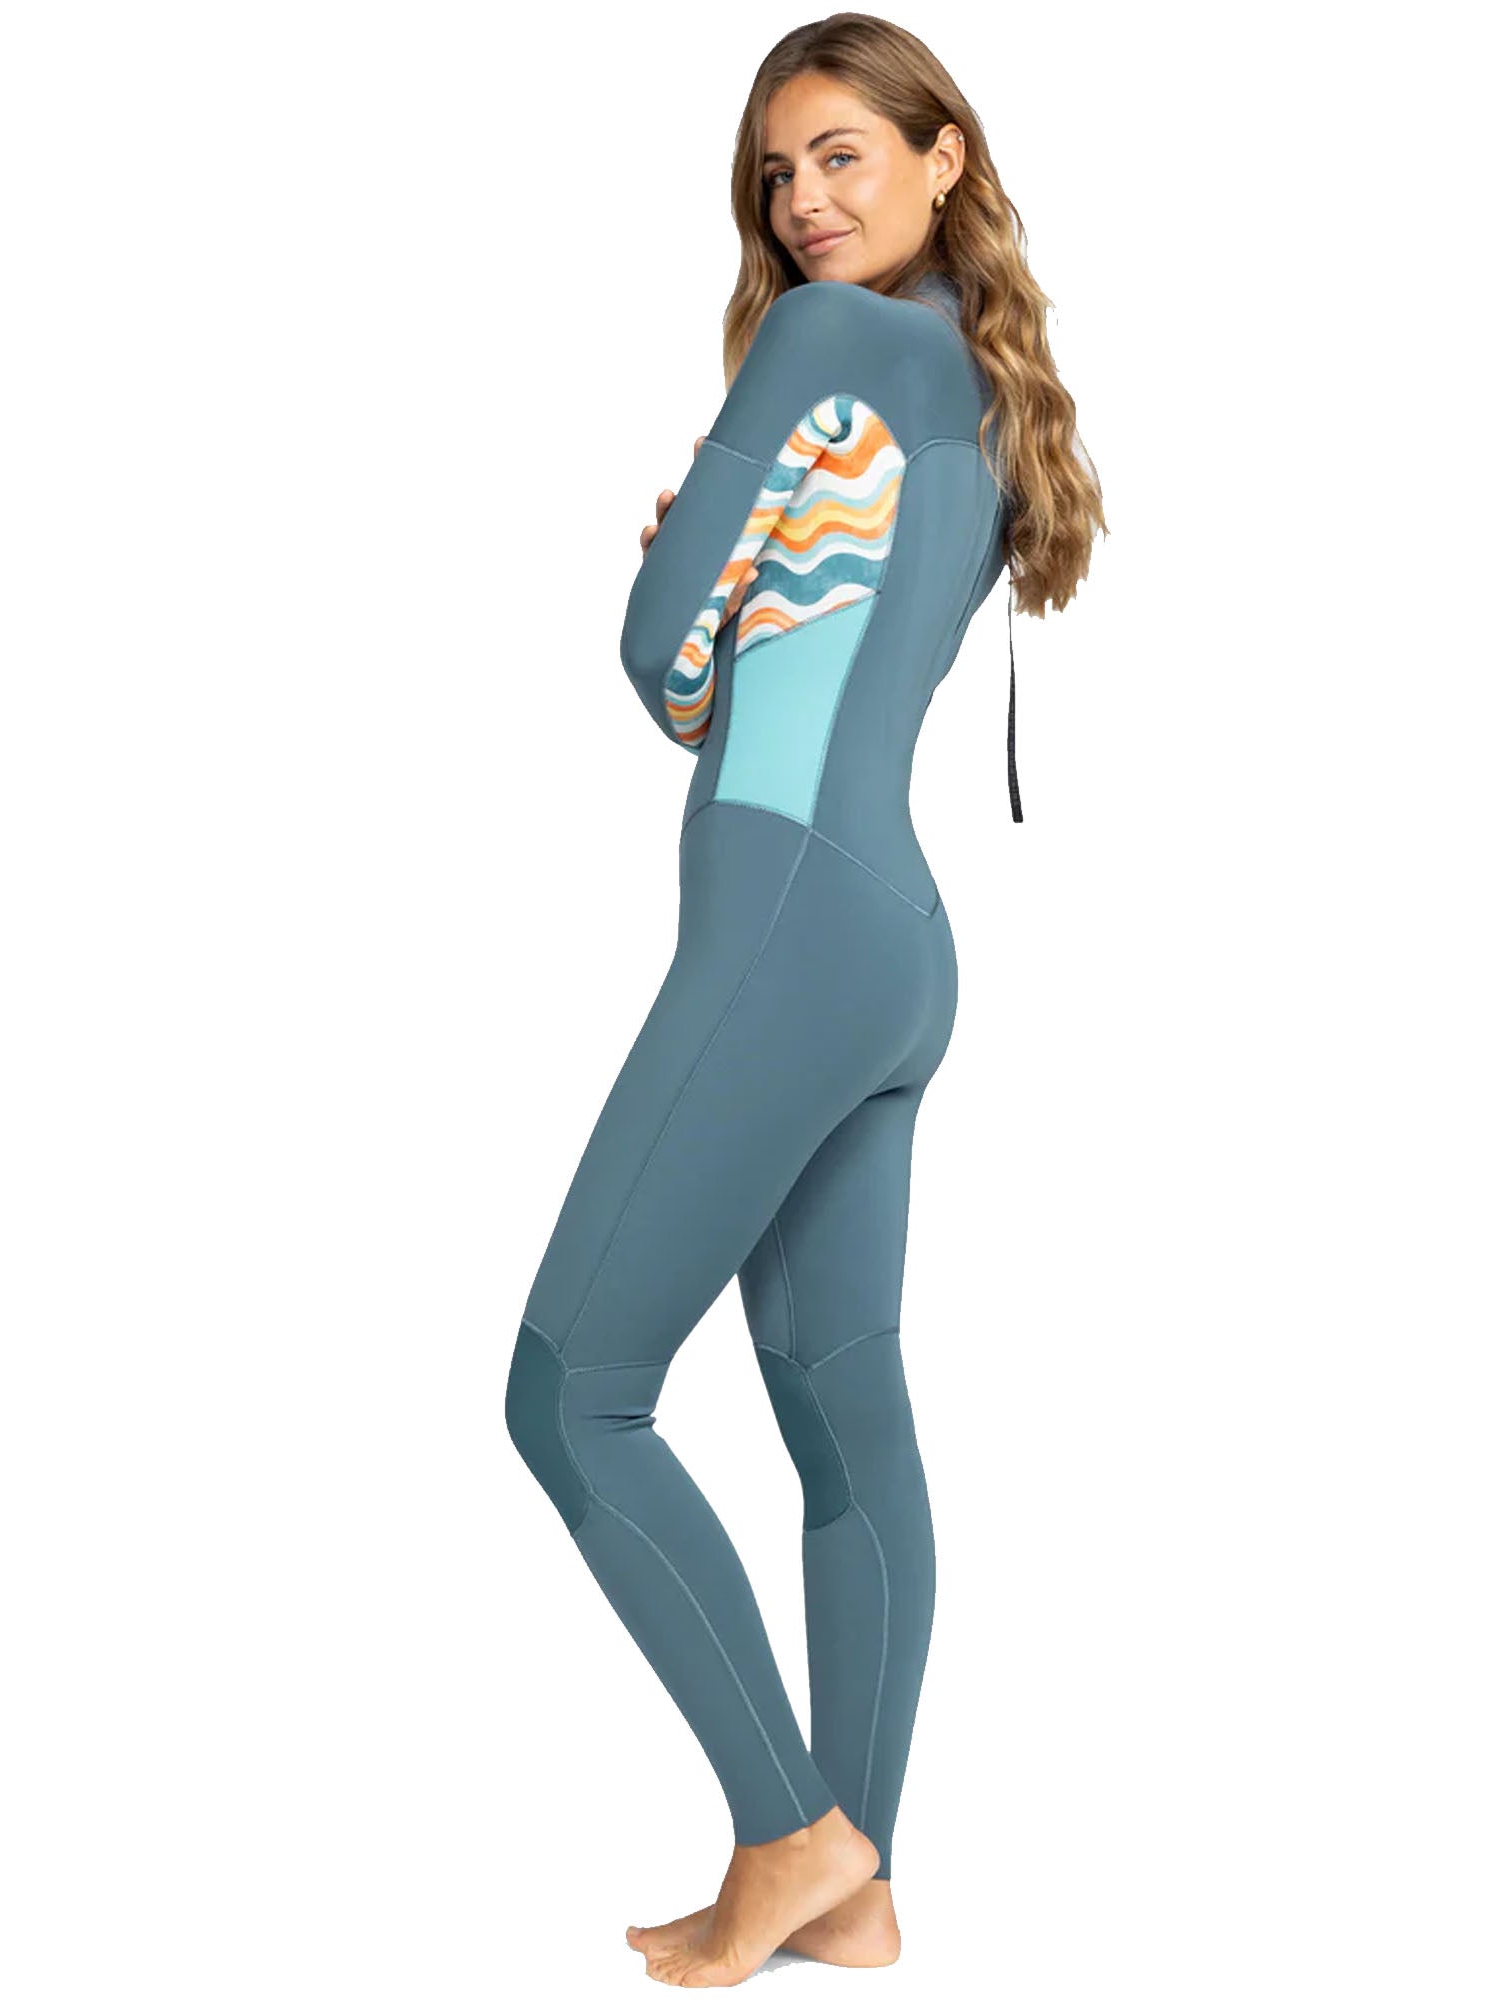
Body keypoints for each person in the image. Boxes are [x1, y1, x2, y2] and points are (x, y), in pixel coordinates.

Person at [504, 15, 1106, 1987]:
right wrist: (749, 576)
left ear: (945, 156)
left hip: (783, 927)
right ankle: (859, 1892)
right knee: (845, 1413)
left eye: (843, 153)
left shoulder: (827, 345)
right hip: (891, 946)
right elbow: (800, 650)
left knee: (570, 1392)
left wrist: (702, 568)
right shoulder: (975, 393)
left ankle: (789, 1829)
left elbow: (656, 657)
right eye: (777, 173)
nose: (802, 202)